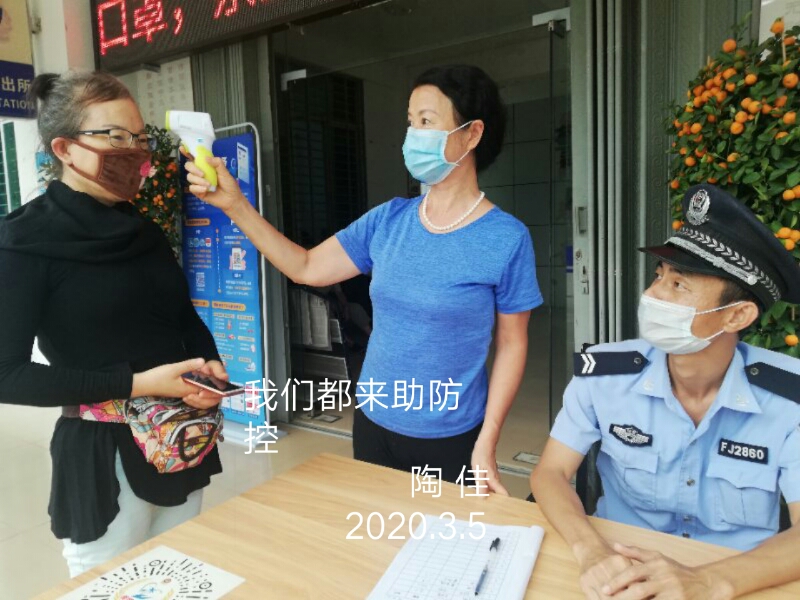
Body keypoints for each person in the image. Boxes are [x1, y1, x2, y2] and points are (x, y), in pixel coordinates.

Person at [184, 64, 543, 494]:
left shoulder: (505, 238)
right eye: (410, 122)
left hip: (452, 436)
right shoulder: (388, 220)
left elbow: (512, 344)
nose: (414, 135)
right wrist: (235, 206)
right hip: (374, 423)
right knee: (381, 533)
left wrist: (488, 438)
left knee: (442, 537)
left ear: (472, 134)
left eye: (427, 121)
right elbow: (306, 266)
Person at [0, 71, 228, 577]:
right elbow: (6, 374)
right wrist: (137, 384)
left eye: (140, 139)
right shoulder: (23, 242)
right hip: (104, 456)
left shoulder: (144, 230)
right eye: (117, 138)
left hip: (180, 438)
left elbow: (182, 317)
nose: (136, 152)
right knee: (113, 584)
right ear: (65, 149)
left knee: (180, 577)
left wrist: (210, 368)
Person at [530, 183, 800, 599]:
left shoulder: (788, 400)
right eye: (659, 276)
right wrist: (590, 550)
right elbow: (550, 473)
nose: (652, 294)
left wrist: (708, 582)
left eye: (679, 286)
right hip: (618, 570)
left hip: (739, 580)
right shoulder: (604, 377)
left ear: (737, 316)